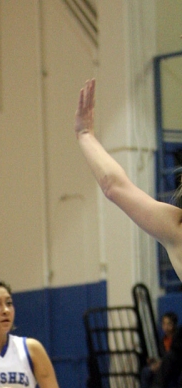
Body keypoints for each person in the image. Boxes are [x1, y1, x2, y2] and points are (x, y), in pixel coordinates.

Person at [75, 78, 182, 279]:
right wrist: (85, 135)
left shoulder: (175, 229)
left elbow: (114, 187)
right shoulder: (175, 228)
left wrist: (85, 135)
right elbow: (115, 187)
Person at [140, 312, 182, 388]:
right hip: (166, 365)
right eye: (164, 324)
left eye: (169, 324)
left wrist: (162, 362)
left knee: (169, 357)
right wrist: (155, 362)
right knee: (146, 371)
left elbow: (175, 353)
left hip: (177, 364)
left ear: (174, 325)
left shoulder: (179, 336)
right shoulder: (162, 341)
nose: (166, 327)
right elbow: (163, 356)